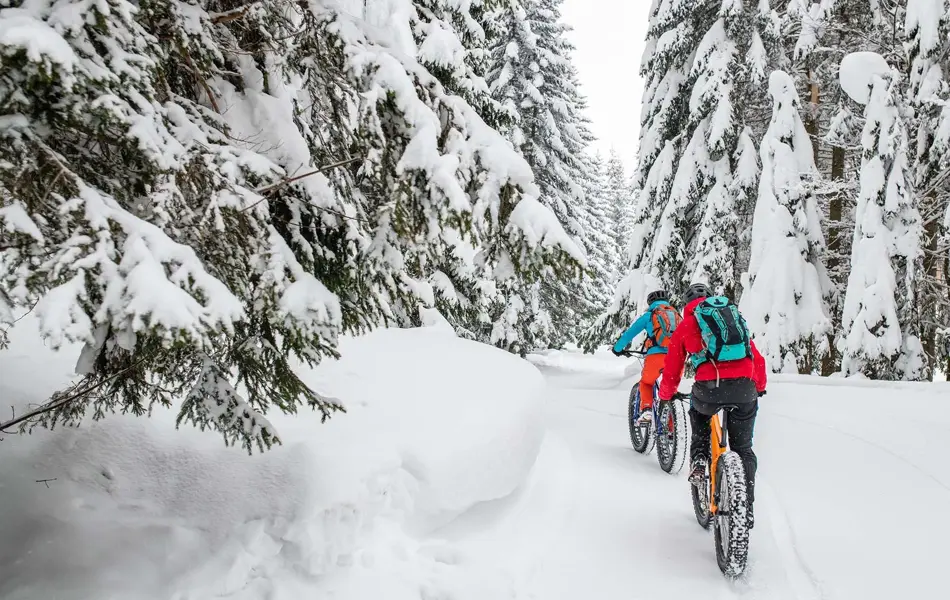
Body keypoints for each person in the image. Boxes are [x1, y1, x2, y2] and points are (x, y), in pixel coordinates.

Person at [657, 282, 767, 525]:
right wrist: (759, 387)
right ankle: (745, 507)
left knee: (698, 414)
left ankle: (698, 460)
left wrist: (666, 396)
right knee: (744, 449)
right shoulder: (733, 319)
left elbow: (673, 370)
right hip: (745, 388)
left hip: (709, 390)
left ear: (687, 304)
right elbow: (756, 358)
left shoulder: (687, 324)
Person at [611, 289, 682, 423]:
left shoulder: (649, 316)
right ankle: (672, 432)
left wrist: (617, 349)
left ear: (650, 302)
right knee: (670, 392)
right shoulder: (677, 316)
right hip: (677, 358)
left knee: (646, 383)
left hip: (656, 357)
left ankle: (647, 410)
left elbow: (629, 334)